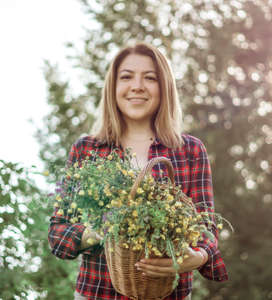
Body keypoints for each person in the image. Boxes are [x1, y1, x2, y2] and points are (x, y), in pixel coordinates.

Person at [48, 42, 228, 300]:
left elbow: (206, 227)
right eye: (126, 77)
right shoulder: (86, 150)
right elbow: (58, 235)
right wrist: (96, 232)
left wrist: (196, 258)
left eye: (150, 78)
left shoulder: (189, 151)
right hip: (98, 294)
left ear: (164, 87)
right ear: (113, 87)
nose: (137, 86)